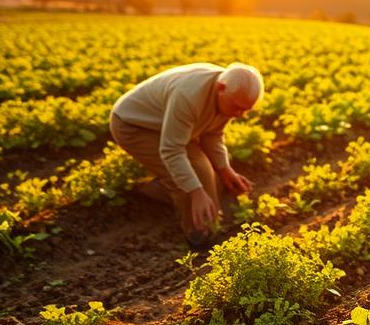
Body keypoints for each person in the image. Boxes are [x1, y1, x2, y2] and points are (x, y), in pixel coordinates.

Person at [109, 62, 263, 246]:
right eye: (237, 107)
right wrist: (196, 192)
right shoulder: (189, 96)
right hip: (134, 125)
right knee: (197, 171)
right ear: (220, 88)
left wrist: (225, 170)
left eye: (246, 110)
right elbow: (172, 150)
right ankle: (200, 233)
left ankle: (152, 190)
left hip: (168, 125)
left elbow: (213, 135)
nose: (239, 114)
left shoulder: (230, 93)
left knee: (210, 170)